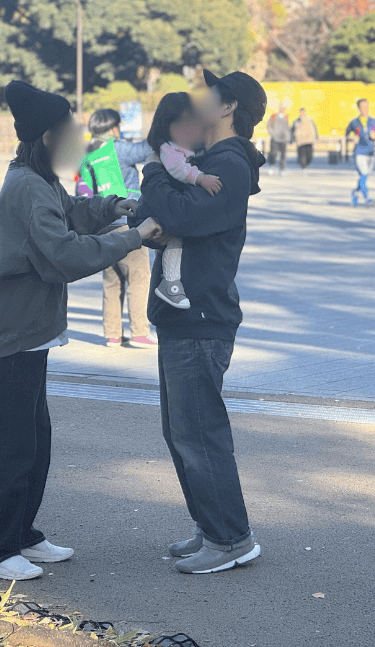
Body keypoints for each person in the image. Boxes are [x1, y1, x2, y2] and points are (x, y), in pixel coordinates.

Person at [0, 81, 163, 581]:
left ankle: (22, 534)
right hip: (14, 331)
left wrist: (112, 208)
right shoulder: (28, 187)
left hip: (29, 329)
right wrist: (134, 236)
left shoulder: (37, 179)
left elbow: (71, 214)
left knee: (34, 441)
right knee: (10, 446)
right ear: (44, 139)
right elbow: (64, 256)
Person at [131, 70, 266, 574]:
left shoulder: (228, 164)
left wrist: (153, 174)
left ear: (228, 107)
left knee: (198, 432)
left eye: (208, 93)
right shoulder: (204, 161)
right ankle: (214, 527)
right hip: (184, 315)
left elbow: (179, 218)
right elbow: (149, 218)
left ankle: (231, 539)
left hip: (202, 316)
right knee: (181, 430)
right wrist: (157, 197)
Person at [83, 109, 158, 348]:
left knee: (112, 280)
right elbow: (145, 150)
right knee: (138, 276)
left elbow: (82, 192)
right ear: (112, 128)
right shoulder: (117, 148)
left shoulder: (88, 155)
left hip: (102, 226)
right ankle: (139, 332)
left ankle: (113, 334)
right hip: (128, 223)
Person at [145, 94, 223, 311]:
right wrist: (199, 178)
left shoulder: (188, 145)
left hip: (183, 202)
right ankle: (170, 282)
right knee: (175, 240)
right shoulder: (168, 148)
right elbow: (177, 169)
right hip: (170, 205)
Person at [345, 99, 375, 206]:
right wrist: (352, 137)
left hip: (370, 152)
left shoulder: (373, 122)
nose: (364, 109)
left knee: (364, 176)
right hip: (359, 152)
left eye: (366, 106)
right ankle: (367, 198)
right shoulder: (354, 122)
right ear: (358, 108)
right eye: (362, 106)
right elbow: (347, 134)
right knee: (364, 175)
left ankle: (355, 192)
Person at [266, 103, 290, 174]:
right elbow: (269, 126)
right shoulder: (274, 116)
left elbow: (287, 128)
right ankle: (272, 166)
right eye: (282, 108)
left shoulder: (286, 117)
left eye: (284, 108)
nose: (283, 109)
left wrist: (287, 136)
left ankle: (281, 168)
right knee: (273, 153)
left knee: (283, 154)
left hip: (283, 139)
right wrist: (273, 133)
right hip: (275, 138)